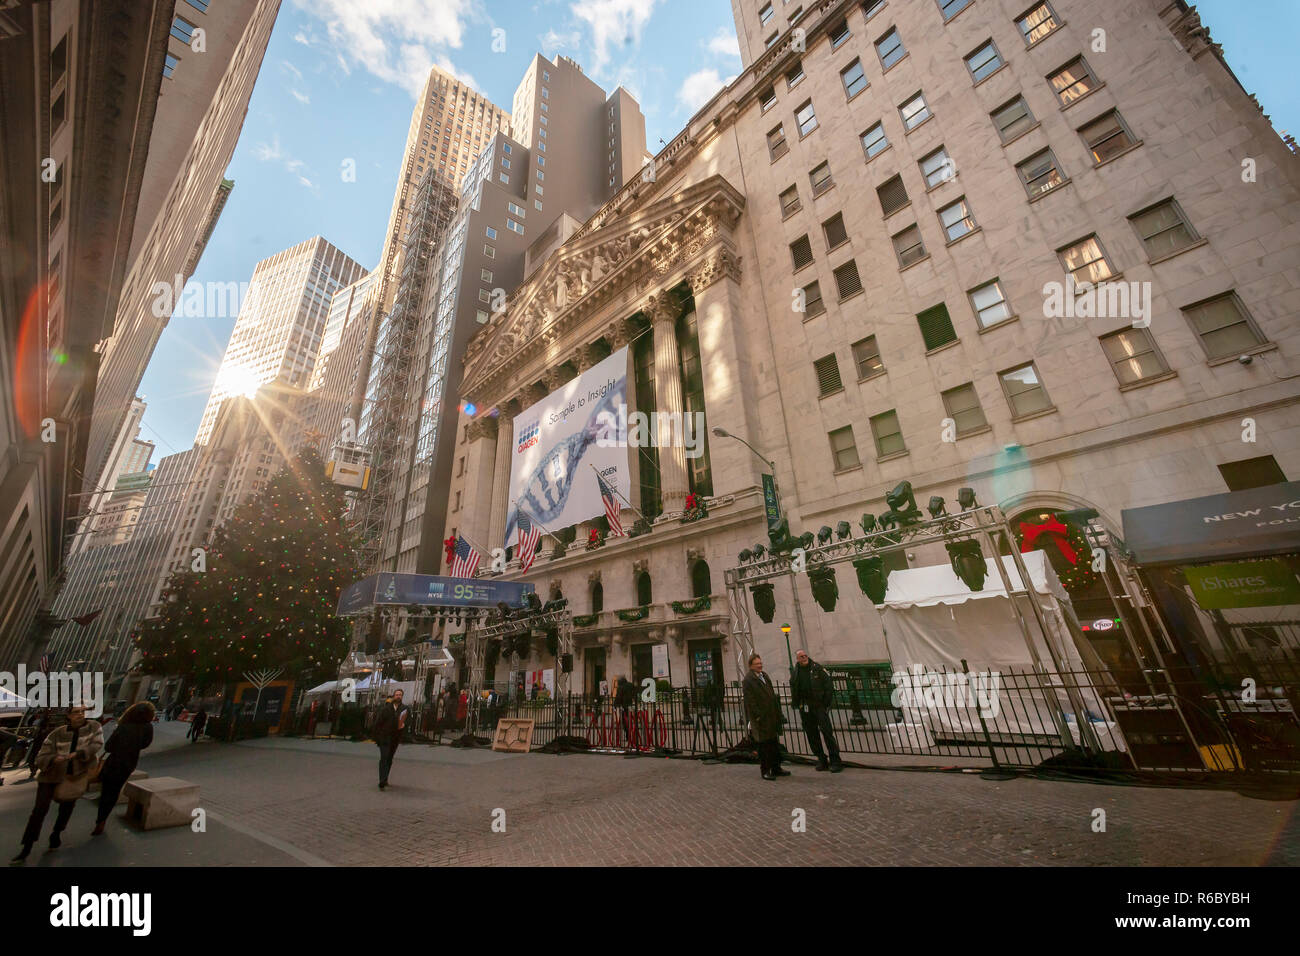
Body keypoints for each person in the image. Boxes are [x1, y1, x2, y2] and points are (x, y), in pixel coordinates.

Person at [12, 704, 103, 863]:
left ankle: (56, 834)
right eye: (75, 712)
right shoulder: (57, 733)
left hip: (74, 776)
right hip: (50, 776)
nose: (80, 715)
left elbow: (96, 744)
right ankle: (26, 847)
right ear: (68, 715)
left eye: (82, 711)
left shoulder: (93, 727)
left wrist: (79, 754)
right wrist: (53, 758)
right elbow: (41, 756)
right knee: (39, 811)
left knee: (67, 808)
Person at [92, 701, 155, 835]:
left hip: (113, 762)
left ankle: (100, 818)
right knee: (114, 791)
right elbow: (146, 744)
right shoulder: (148, 727)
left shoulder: (124, 725)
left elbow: (108, 746)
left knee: (106, 791)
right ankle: (103, 818)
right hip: (129, 763)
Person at [791, 649, 843, 772]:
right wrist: (797, 703)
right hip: (805, 707)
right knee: (812, 734)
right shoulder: (795, 672)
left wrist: (825, 703)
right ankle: (821, 759)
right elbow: (794, 687)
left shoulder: (817, 668)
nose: (804, 658)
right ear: (797, 659)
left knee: (827, 733)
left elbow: (828, 685)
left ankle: (835, 760)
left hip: (818, 705)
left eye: (805, 655)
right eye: (801, 656)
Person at [742, 653, 788, 780]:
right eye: (757, 664)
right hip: (761, 717)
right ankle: (765, 770)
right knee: (764, 746)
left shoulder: (764, 675)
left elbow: (771, 694)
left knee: (773, 743)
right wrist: (758, 716)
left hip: (771, 715)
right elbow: (750, 701)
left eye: (760, 663)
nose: (760, 665)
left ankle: (776, 767)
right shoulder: (748, 680)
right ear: (751, 666)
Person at [371, 689, 408, 790]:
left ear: (402, 697)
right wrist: (376, 737)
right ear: (393, 696)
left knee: (389, 759)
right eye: (397, 695)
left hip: (395, 738)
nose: (398, 696)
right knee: (384, 758)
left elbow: (408, 722)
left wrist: (404, 726)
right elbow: (378, 723)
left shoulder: (404, 709)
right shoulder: (386, 709)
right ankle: (382, 781)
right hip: (384, 738)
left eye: (400, 695)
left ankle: (385, 777)